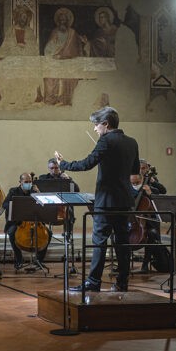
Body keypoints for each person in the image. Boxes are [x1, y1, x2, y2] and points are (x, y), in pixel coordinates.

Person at [56, 106, 140, 292]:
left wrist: (64, 164)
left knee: (99, 242)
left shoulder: (106, 140)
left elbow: (86, 164)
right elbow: (134, 171)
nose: (94, 129)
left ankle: (94, 282)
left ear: (106, 124)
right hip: (125, 201)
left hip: (107, 202)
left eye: (96, 125)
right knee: (122, 243)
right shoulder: (132, 142)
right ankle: (122, 283)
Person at [2, 172, 52, 270]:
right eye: (26, 182)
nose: (28, 184)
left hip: (34, 222)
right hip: (17, 222)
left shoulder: (34, 191)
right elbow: (5, 204)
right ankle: (19, 260)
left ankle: (39, 260)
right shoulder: (13, 191)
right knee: (12, 233)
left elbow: (44, 205)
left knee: (49, 233)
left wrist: (39, 194)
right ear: (20, 182)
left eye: (30, 182)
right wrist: (16, 205)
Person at [39, 7, 85, 106]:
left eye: (64, 20)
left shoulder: (72, 33)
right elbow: (48, 49)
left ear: (68, 21)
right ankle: (52, 99)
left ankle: (66, 100)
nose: (62, 22)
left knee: (71, 76)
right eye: (60, 20)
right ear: (58, 21)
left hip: (70, 62)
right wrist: (54, 55)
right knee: (49, 76)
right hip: (56, 61)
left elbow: (78, 48)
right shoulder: (55, 32)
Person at [129, 173, 162, 273]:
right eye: (133, 183)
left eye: (137, 182)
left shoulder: (153, 190)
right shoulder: (128, 191)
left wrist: (150, 194)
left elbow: (158, 207)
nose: (135, 185)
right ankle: (123, 265)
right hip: (133, 221)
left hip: (149, 222)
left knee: (152, 233)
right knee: (118, 234)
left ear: (142, 180)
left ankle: (145, 265)